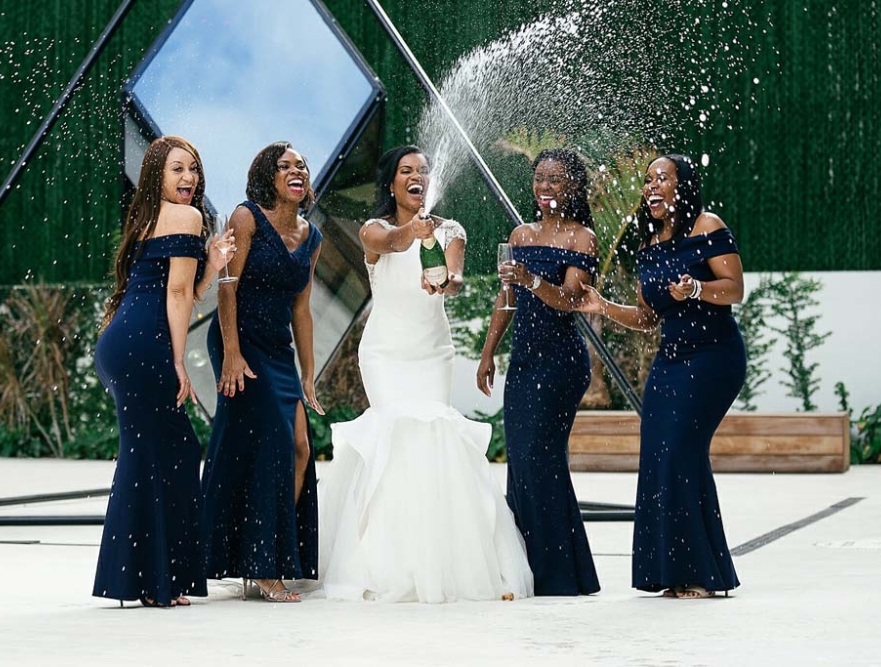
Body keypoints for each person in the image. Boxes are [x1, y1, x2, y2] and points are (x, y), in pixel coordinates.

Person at [318, 145, 533, 603]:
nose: (417, 176)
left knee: (435, 437)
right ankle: (380, 565)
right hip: (385, 354)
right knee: (393, 438)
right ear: (391, 183)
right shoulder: (374, 229)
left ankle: (447, 561)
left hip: (432, 353)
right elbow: (392, 244)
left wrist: (443, 280)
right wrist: (412, 232)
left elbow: (454, 278)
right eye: (406, 170)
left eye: (423, 170)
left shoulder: (450, 230)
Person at [576, 154, 744, 599]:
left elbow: (734, 289)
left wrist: (696, 289)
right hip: (670, 362)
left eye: (661, 178)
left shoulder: (707, 226)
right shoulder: (649, 244)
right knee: (659, 456)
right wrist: (603, 307)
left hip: (714, 357)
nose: (651, 185)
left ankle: (701, 574)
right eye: (648, 179)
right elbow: (648, 318)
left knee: (681, 451)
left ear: (681, 186)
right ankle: (672, 572)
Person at [94, 135, 234, 608]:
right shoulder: (187, 216)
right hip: (144, 345)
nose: (189, 177)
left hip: (121, 344)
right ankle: (153, 582)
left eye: (193, 168)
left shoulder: (148, 216)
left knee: (150, 452)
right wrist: (177, 362)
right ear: (157, 175)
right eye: (177, 169)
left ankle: (140, 578)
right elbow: (174, 296)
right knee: (168, 450)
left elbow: (182, 291)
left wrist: (211, 266)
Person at [200, 142, 324, 603]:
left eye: (301, 165)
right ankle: (262, 565)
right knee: (272, 443)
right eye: (284, 165)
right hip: (239, 339)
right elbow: (227, 286)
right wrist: (232, 354)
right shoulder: (246, 217)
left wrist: (308, 373)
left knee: (300, 447)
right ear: (268, 176)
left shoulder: (311, 236)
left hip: (278, 348)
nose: (296, 171)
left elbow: (302, 308)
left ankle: (267, 550)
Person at [476, 148, 601, 596]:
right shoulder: (520, 234)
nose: (545, 187)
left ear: (572, 186)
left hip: (561, 362)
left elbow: (570, 301)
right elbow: (507, 299)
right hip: (524, 361)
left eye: (555, 179)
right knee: (522, 460)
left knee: (540, 459)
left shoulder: (582, 238)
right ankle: (530, 568)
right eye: (540, 178)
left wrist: (531, 279)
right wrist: (488, 352)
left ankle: (559, 575)